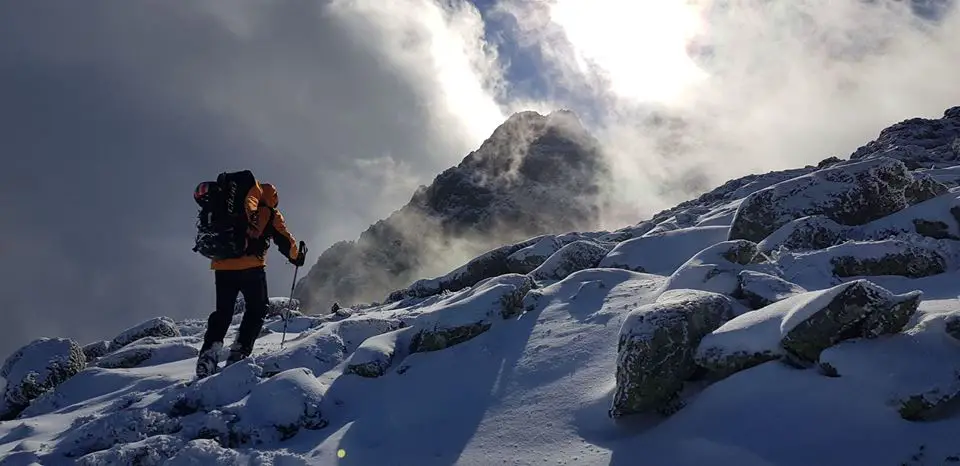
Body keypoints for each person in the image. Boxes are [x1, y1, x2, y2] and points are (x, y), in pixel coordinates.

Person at [195, 181, 307, 378]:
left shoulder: (230, 207)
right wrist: (297, 257)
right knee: (257, 308)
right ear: (272, 196)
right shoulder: (269, 212)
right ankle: (239, 351)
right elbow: (285, 240)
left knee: (223, 312)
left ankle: (208, 355)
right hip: (252, 268)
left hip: (222, 267)